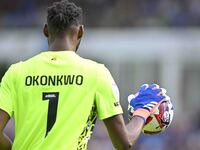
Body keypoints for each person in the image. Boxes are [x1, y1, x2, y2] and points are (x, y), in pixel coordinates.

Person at [0, 0, 169, 150]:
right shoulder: (96, 74)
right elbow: (124, 143)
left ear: (45, 30)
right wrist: (142, 112)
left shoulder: (16, 72)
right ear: (80, 32)